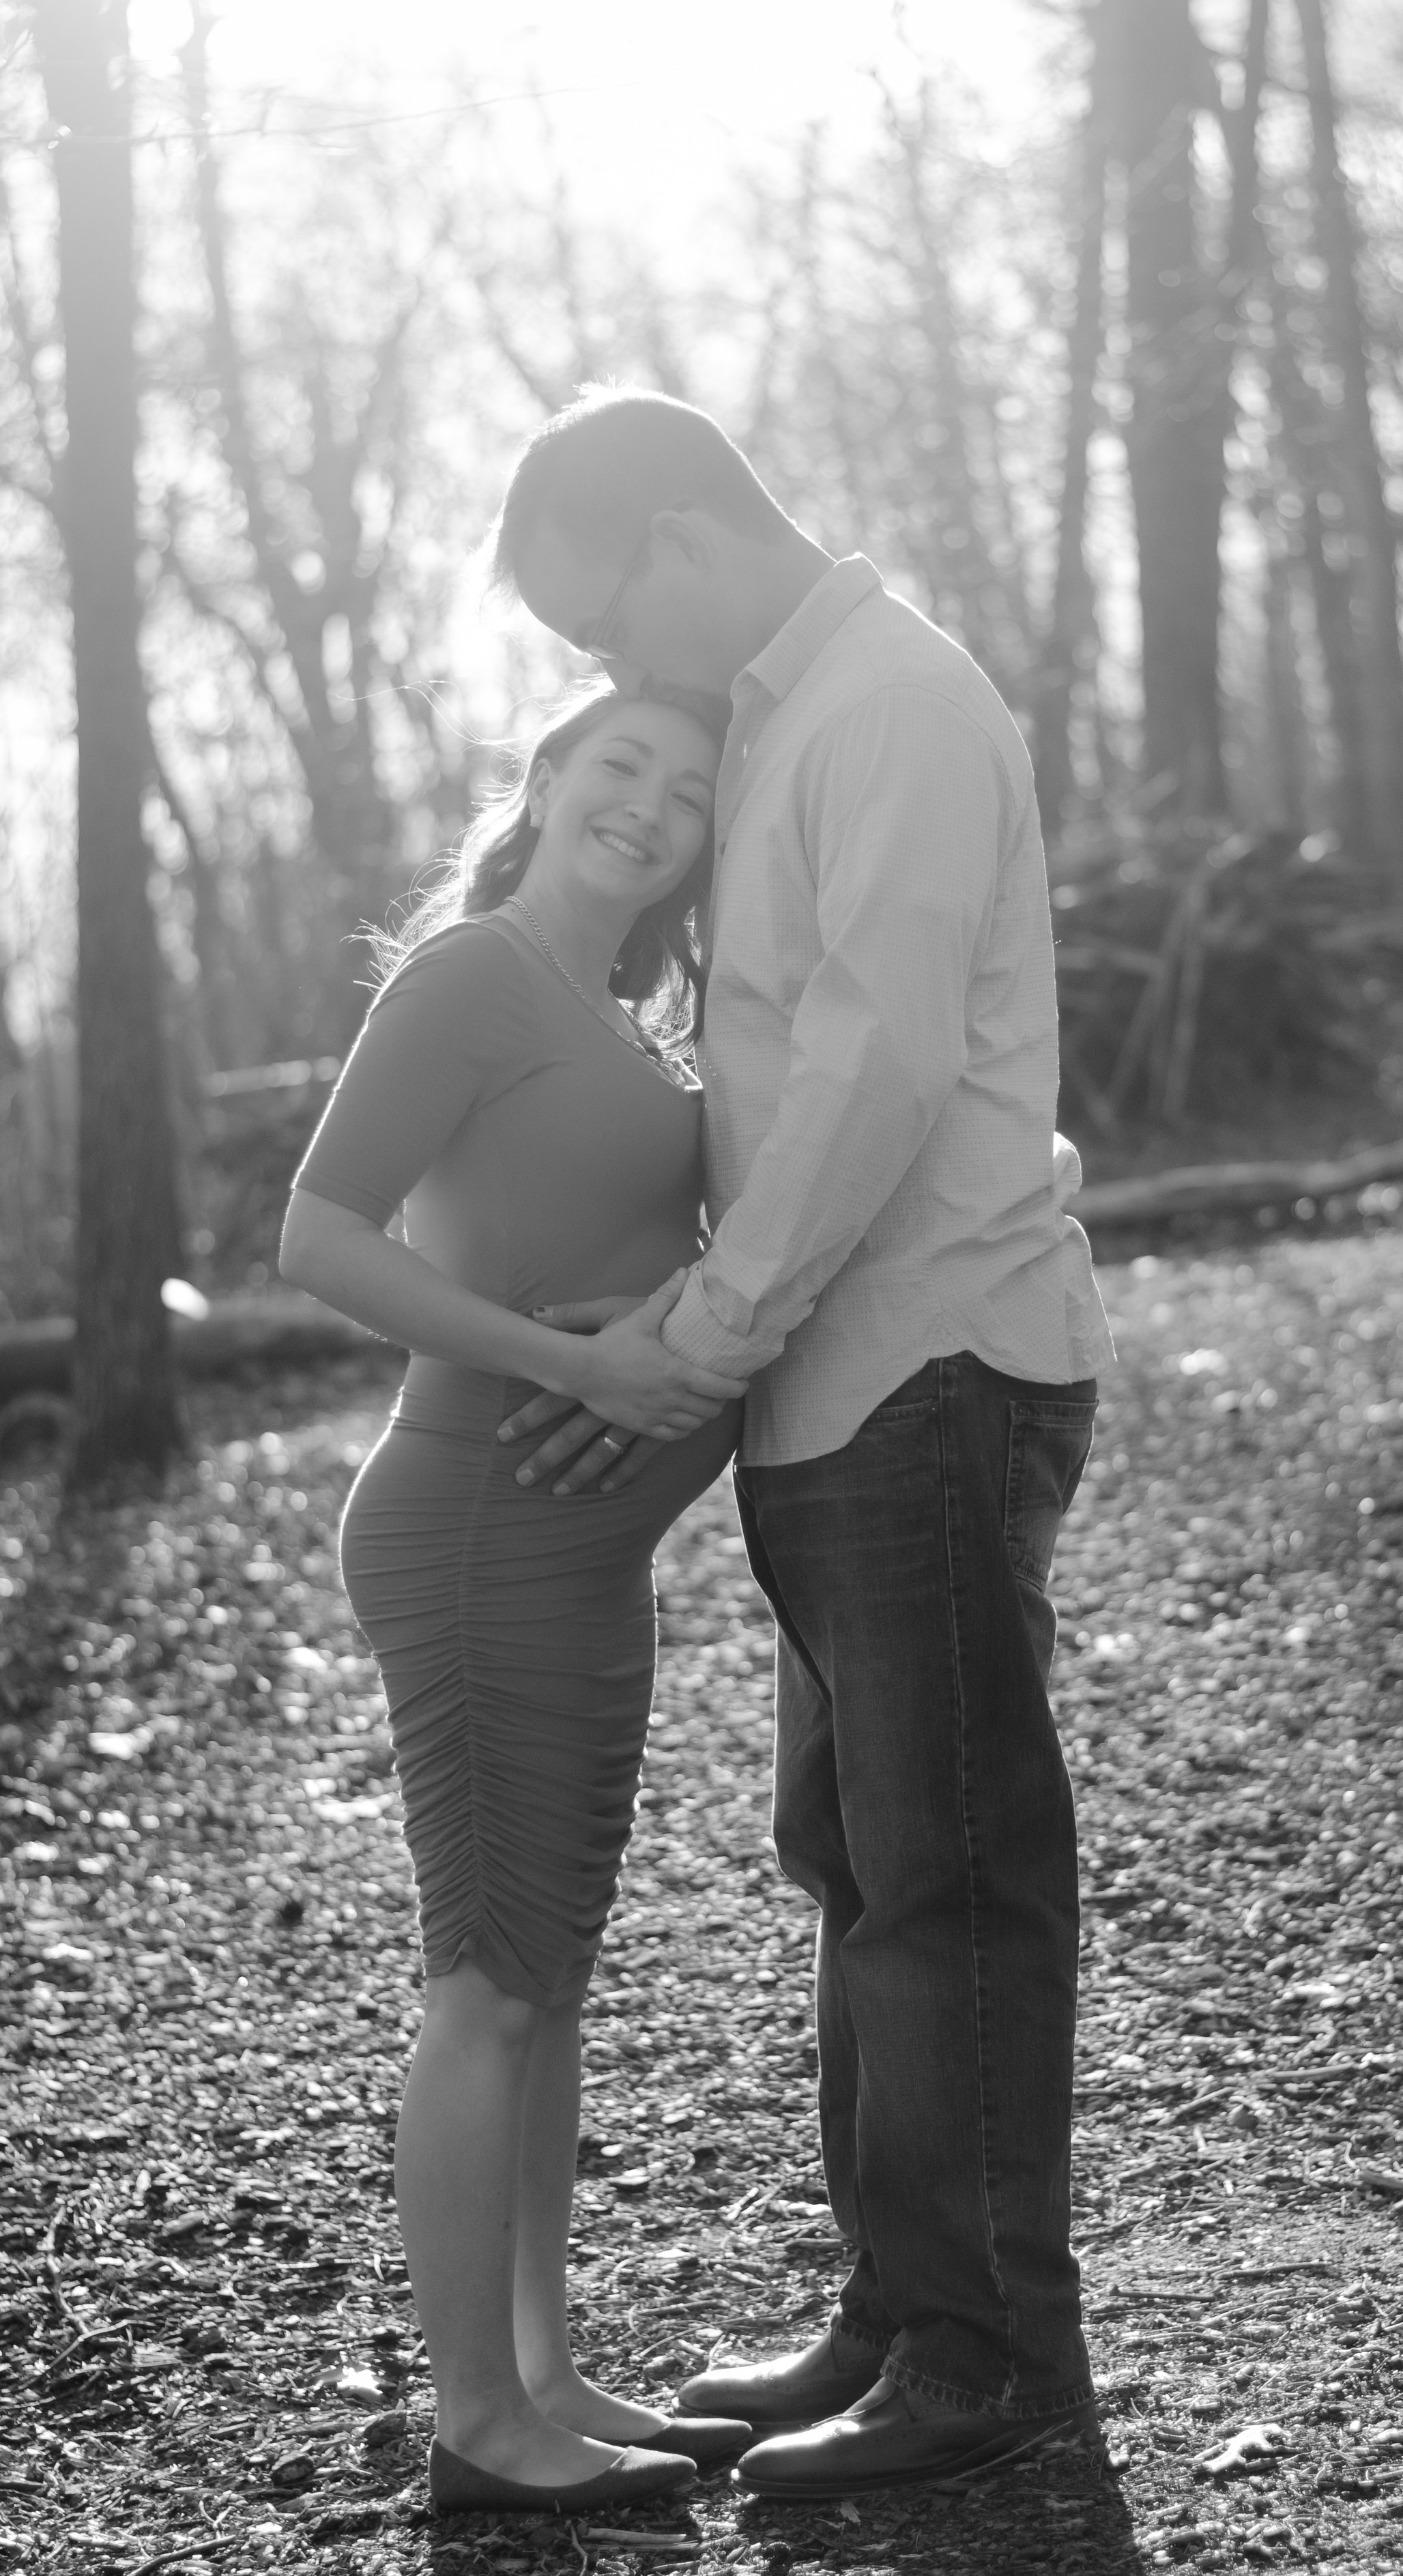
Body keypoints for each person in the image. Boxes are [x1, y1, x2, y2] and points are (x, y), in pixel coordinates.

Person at [488, 388, 1117, 2499]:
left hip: (925, 1362)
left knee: (947, 1879)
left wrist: (706, 1327)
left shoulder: (889, 705)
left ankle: (987, 2355)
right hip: (837, 1377)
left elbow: (875, 1062)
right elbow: (777, 1072)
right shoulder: (787, 723)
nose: (610, 670)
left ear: (680, 535)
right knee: (857, 1863)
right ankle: (897, 2311)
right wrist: (689, 1302)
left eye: (602, 622)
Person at [278, 684, 756, 2515]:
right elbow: (319, 1233)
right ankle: (477, 2422)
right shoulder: (475, 975)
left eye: (688, 791)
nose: (648, 804)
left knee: (542, 1982)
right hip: (476, 1522)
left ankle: (545, 2376)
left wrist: (663, 1323)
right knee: (484, 1985)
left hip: (578, 1553)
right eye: (619, 764)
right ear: (547, 782)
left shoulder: (624, 1019)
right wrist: (567, 1365)